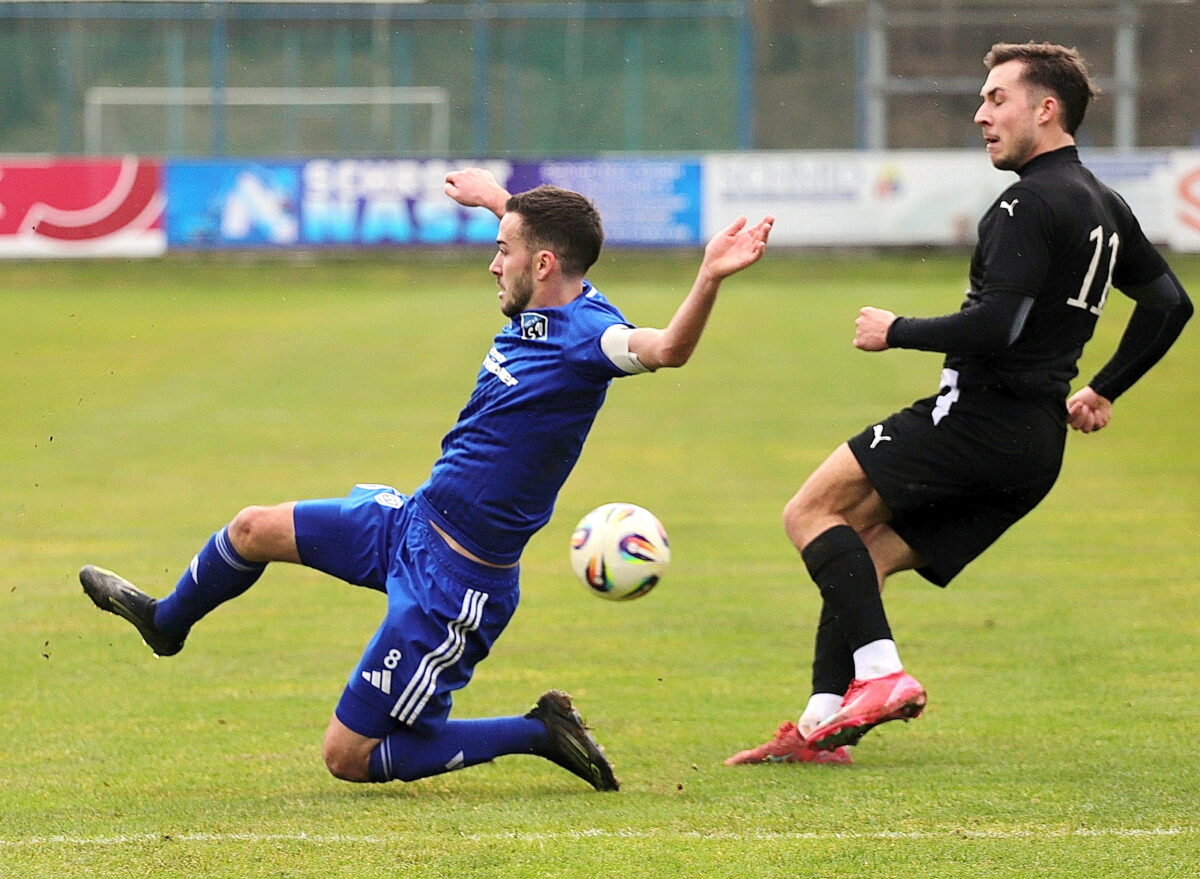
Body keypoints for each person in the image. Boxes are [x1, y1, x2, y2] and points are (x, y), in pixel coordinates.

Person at [82, 168, 774, 791]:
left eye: (502, 251)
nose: (492, 264)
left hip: (454, 585)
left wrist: (709, 276)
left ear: (542, 264)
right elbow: (539, 236)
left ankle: (538, 732)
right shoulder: (548, 286)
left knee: (348, 756)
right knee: (252, 528)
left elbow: (667, 348)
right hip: (411, 522)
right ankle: (165, 623)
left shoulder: (591, 338)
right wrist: (496, 199)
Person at [726, 41, 1192, 767]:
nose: (981, 114)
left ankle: (882, 674)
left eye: (997, 98)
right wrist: (1104, 387)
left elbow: (997, 326)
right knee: (861, 555)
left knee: (809, 513)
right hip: (1034, 448)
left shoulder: (1027, 202)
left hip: (977, 421)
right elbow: (1169, 304)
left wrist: (896, 330)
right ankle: (820, 725)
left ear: (1046, 109)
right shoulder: (1105, 204)